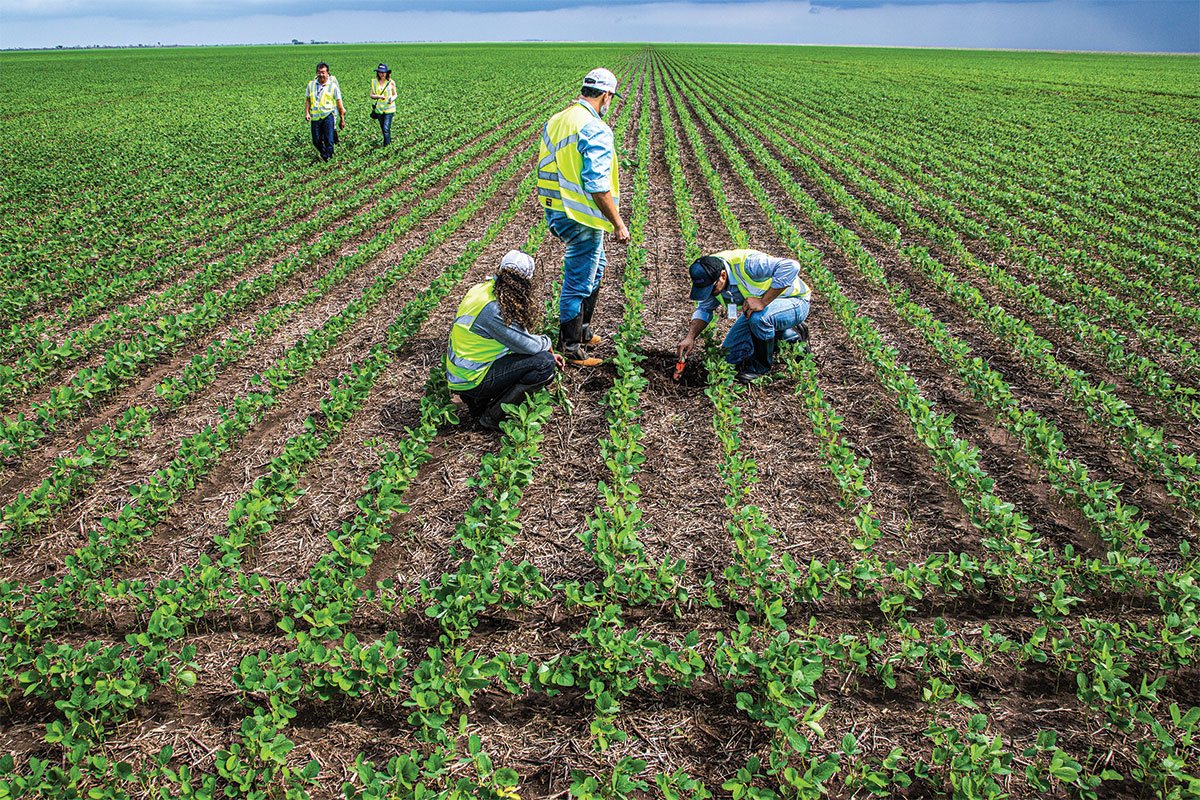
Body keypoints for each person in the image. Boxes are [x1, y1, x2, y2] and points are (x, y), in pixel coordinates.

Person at [537, 67, 630, 368]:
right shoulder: (594, 127)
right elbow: (598, 185)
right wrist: (618, 223)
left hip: (556, 208)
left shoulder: (558, 119)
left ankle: (583, 330)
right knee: (578, 280)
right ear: (605, 96)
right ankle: (572, 346)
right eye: (611, 98)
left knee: (597, 265)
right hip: (581, 217)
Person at [446, 250, 565, 430]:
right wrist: (547, 344)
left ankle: (479, 401)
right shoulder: (494, 309)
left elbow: (512, 338)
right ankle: (492, 417)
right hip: (471, 378)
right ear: (526, 283)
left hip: (460, 373)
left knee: (536, 358)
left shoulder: (480, 290)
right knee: (544, 364)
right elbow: (529, 346)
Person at [677, 249, 812, 384]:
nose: (709, 293)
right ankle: (780, 335)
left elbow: (791, 266)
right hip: (758, 311)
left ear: (723, 276)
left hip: (794, 301)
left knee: (760, 319)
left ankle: (761, 368)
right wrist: (690, 337)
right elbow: (704, 309)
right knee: (728, 358)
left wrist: (763, 301)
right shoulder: (709, 273)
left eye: (711, 289)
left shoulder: (749, 264)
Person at [305, 62, 345, 162]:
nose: (321, 74)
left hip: (328, 116)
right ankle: (325, 155)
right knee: (316, 141)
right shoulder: (311, 85)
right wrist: (307, 113)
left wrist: (342, 118)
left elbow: (339, 103)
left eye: (323, 72)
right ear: (316, 73)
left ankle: (329, 160)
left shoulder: (333, 86)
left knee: (329, 140)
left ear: (328, 73)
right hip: (315, 117)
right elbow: (308, 100)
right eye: (319, 72)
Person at [369, 63, 397, 146]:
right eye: (380, 72)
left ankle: (387, 145)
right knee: (383, 128)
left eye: (383, 72)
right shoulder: (374, 82)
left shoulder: (391, 82)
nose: (382, 74)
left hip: (389, 109)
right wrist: (379, 96)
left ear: (387, 73)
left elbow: (395, 94)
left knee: (386, 128)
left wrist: (391, 99)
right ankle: (387, 141)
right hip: (379, 109)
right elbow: (371, 95)